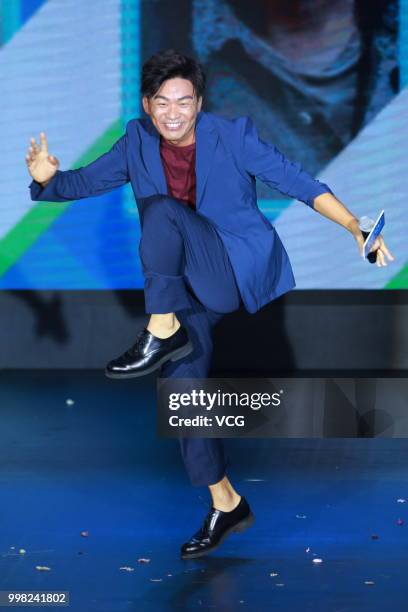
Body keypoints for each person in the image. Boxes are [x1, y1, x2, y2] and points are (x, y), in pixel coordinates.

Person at [26, 49, 394, 560]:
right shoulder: (136, 140)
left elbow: (299, 182)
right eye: (162, 103)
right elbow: (81, 183)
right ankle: (227, 503)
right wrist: (47, 177)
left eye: (184, 102)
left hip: (228, 269)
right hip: (184, 291)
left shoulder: (233, 135)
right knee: (181, 392)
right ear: (147, 106)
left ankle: (160, 328)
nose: (173, 113)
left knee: (160, 213)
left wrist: (356, 229)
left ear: (199, 103)